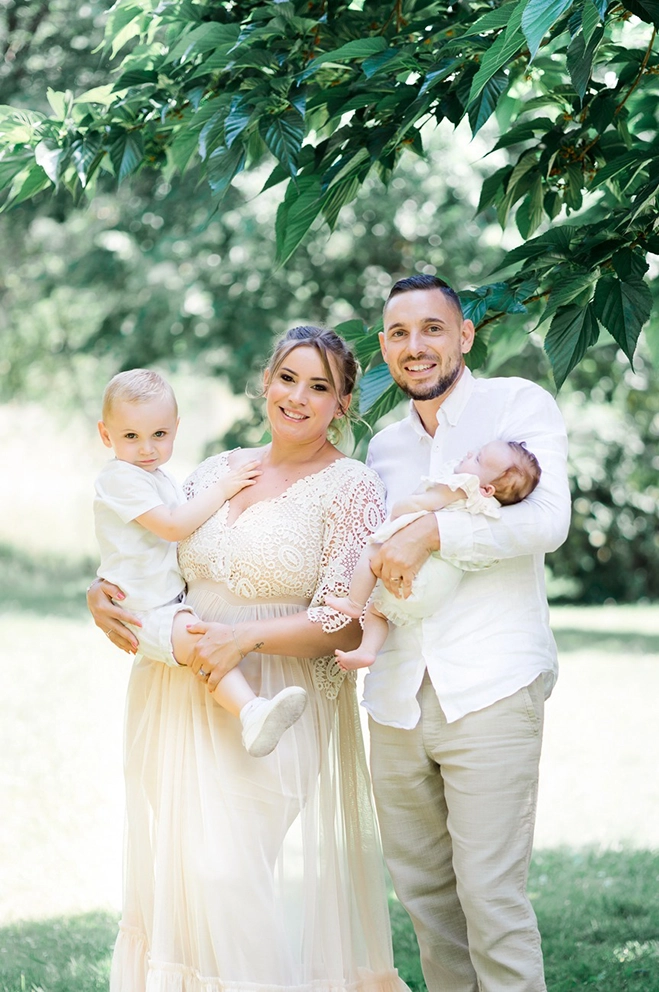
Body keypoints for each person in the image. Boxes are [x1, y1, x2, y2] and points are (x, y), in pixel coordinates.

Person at [87, 327, 409, 992]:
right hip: (176, 691)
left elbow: (340, 621)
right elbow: (151, 556)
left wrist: (244, 639)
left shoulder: (351, 487)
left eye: (319, 386)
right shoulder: (215, 470)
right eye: (288, 377)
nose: (297, 396)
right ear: (266, 382)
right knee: (181, 882)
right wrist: (99, 591)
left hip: (282, 701)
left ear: (342, 404)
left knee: (224, 871)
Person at [363, 275, 571, 992]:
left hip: (490, 685)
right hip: (393, 695)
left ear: (463, 336)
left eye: (430, 329)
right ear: (384, 346)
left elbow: (547, 523)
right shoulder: (382, 448)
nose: (414, 346)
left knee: (490, 898)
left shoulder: (517, 405)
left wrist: (433, 530)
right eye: (397, 333)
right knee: (425, 901)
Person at [95, 368, 308, 757]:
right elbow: (174, 527)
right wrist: (224, 488)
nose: (147, 448)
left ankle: (251, 712)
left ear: (175, 428)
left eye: (159, 435)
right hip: (143, 608)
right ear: (106, 434)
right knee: (201, 644)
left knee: (201, 644)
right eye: (131, 436)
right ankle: (251, 711)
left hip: (163, 601)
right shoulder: (119, 478)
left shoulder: (157, 476)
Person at [326, 439, 541, 670]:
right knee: (379, 611)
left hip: (417, 579)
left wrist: (400, 508)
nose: (469, 452)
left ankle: (353, 602)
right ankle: (366, 652)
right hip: (435, 593)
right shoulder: (490, 508)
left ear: (486, 489)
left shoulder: (461, 488)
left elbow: (423, 503)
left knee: (373, 552)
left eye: (477, 458)